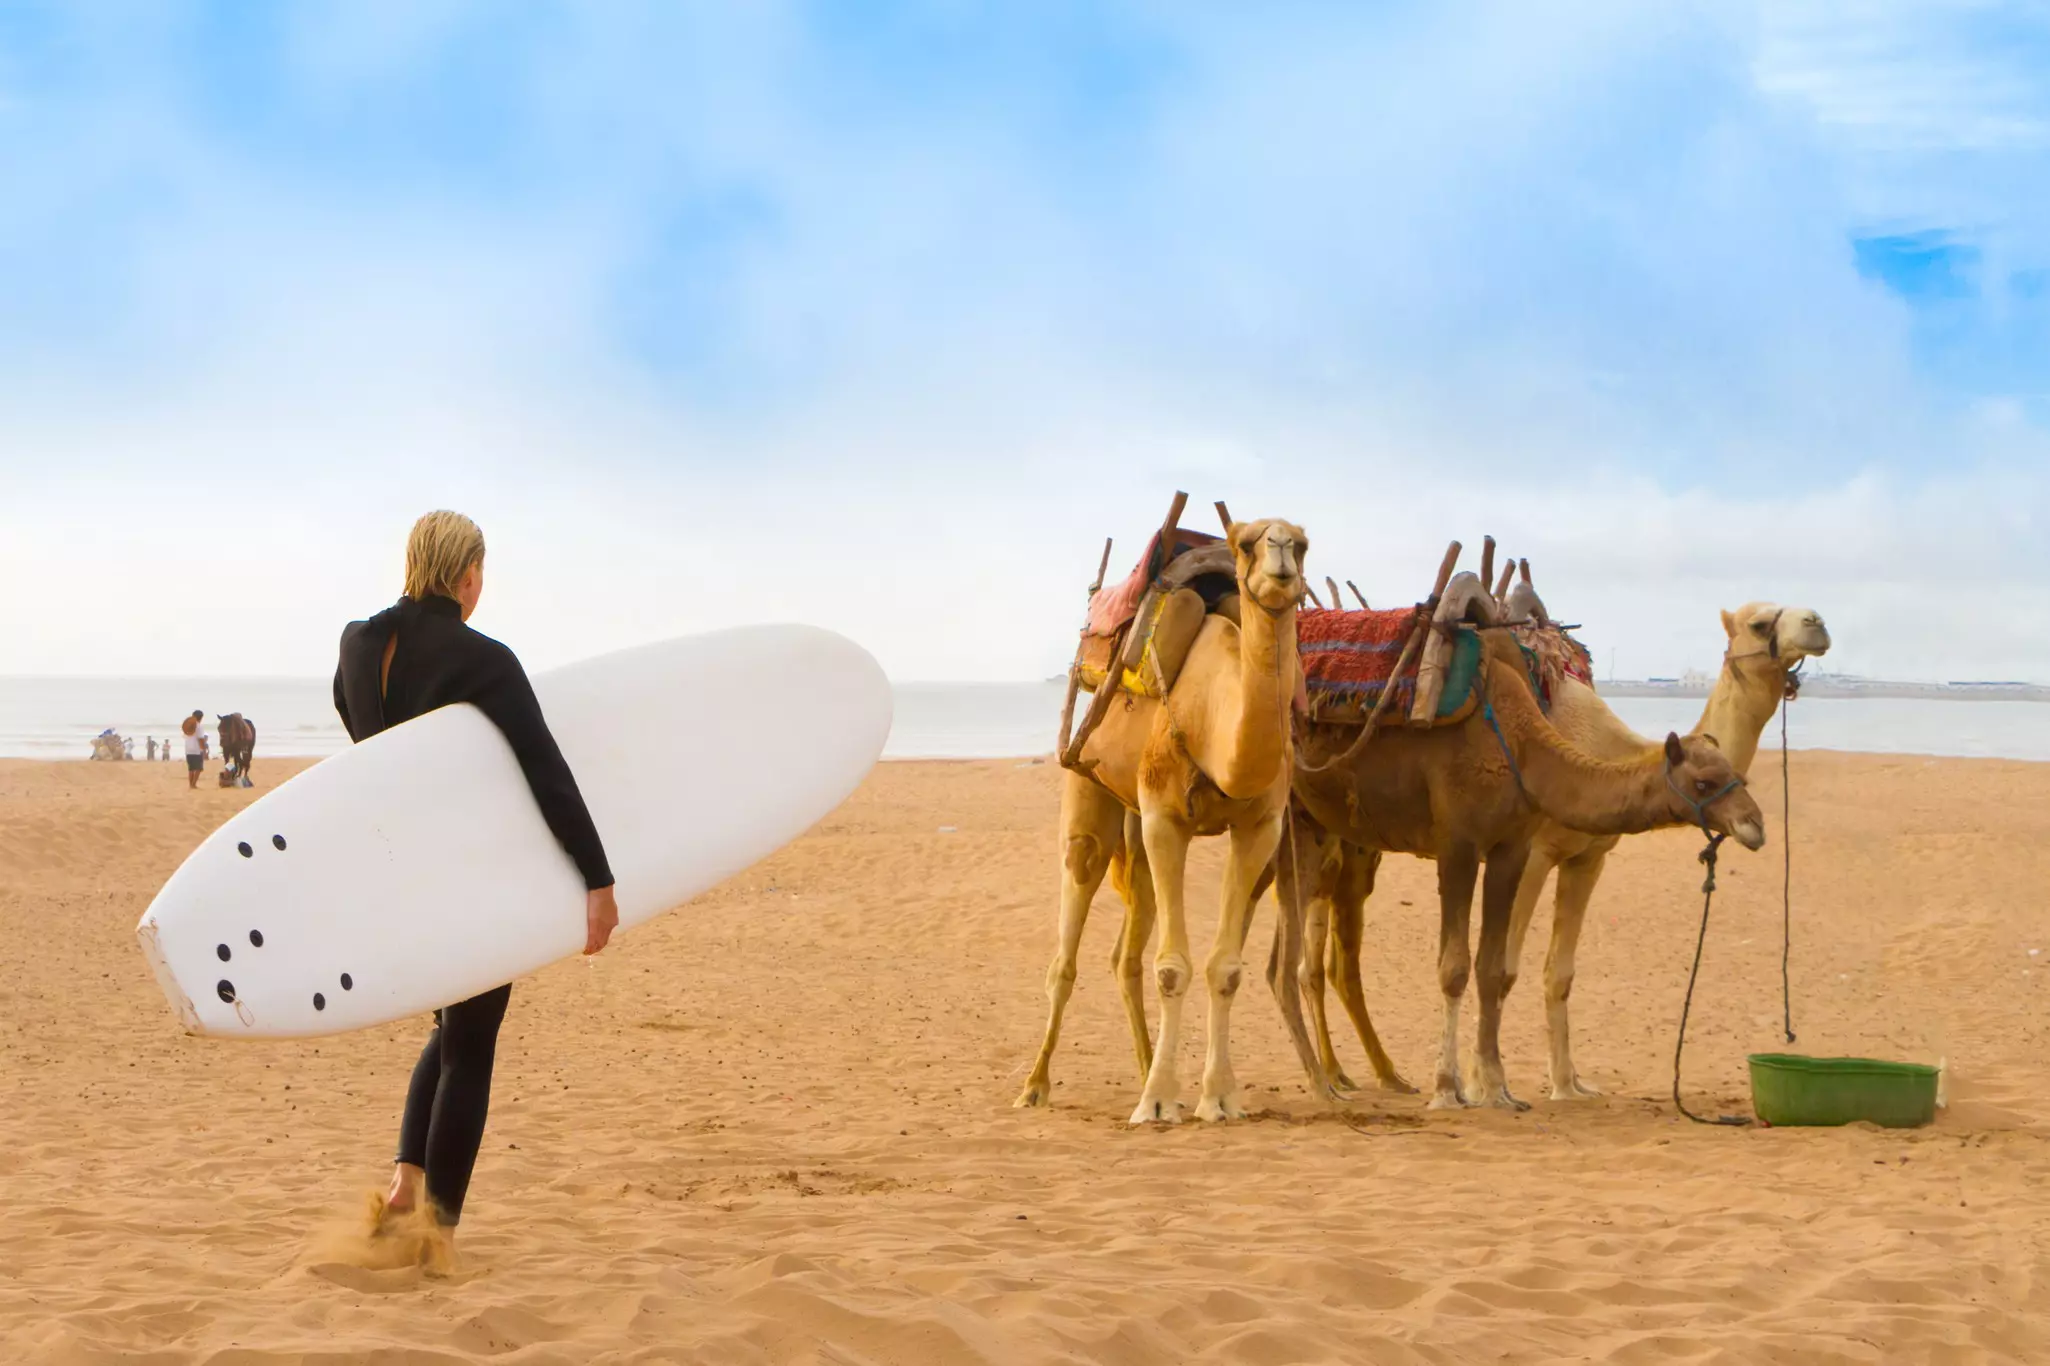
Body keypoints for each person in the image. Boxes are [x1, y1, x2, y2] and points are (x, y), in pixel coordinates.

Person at [333, 510, 619, 1240]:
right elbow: (543, 769)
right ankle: (439, 1232)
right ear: (467, 576)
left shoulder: (358, 646)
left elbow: (364, 749)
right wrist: (597, 876)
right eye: (480, 575)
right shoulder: (484, 659)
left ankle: (406, 1185)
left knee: (449, 1024)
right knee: (472, 1042)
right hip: (468, 873)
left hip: (399, 873)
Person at [181, 710, 205, 789]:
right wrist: (203, 749)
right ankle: (193, 784)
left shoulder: (188, 726)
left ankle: (191, 784)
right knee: (198, 768)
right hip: (197, 750)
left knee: (191, 769)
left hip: (188, 749)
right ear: (201, 718)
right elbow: (200, 739)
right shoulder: (199, 726)